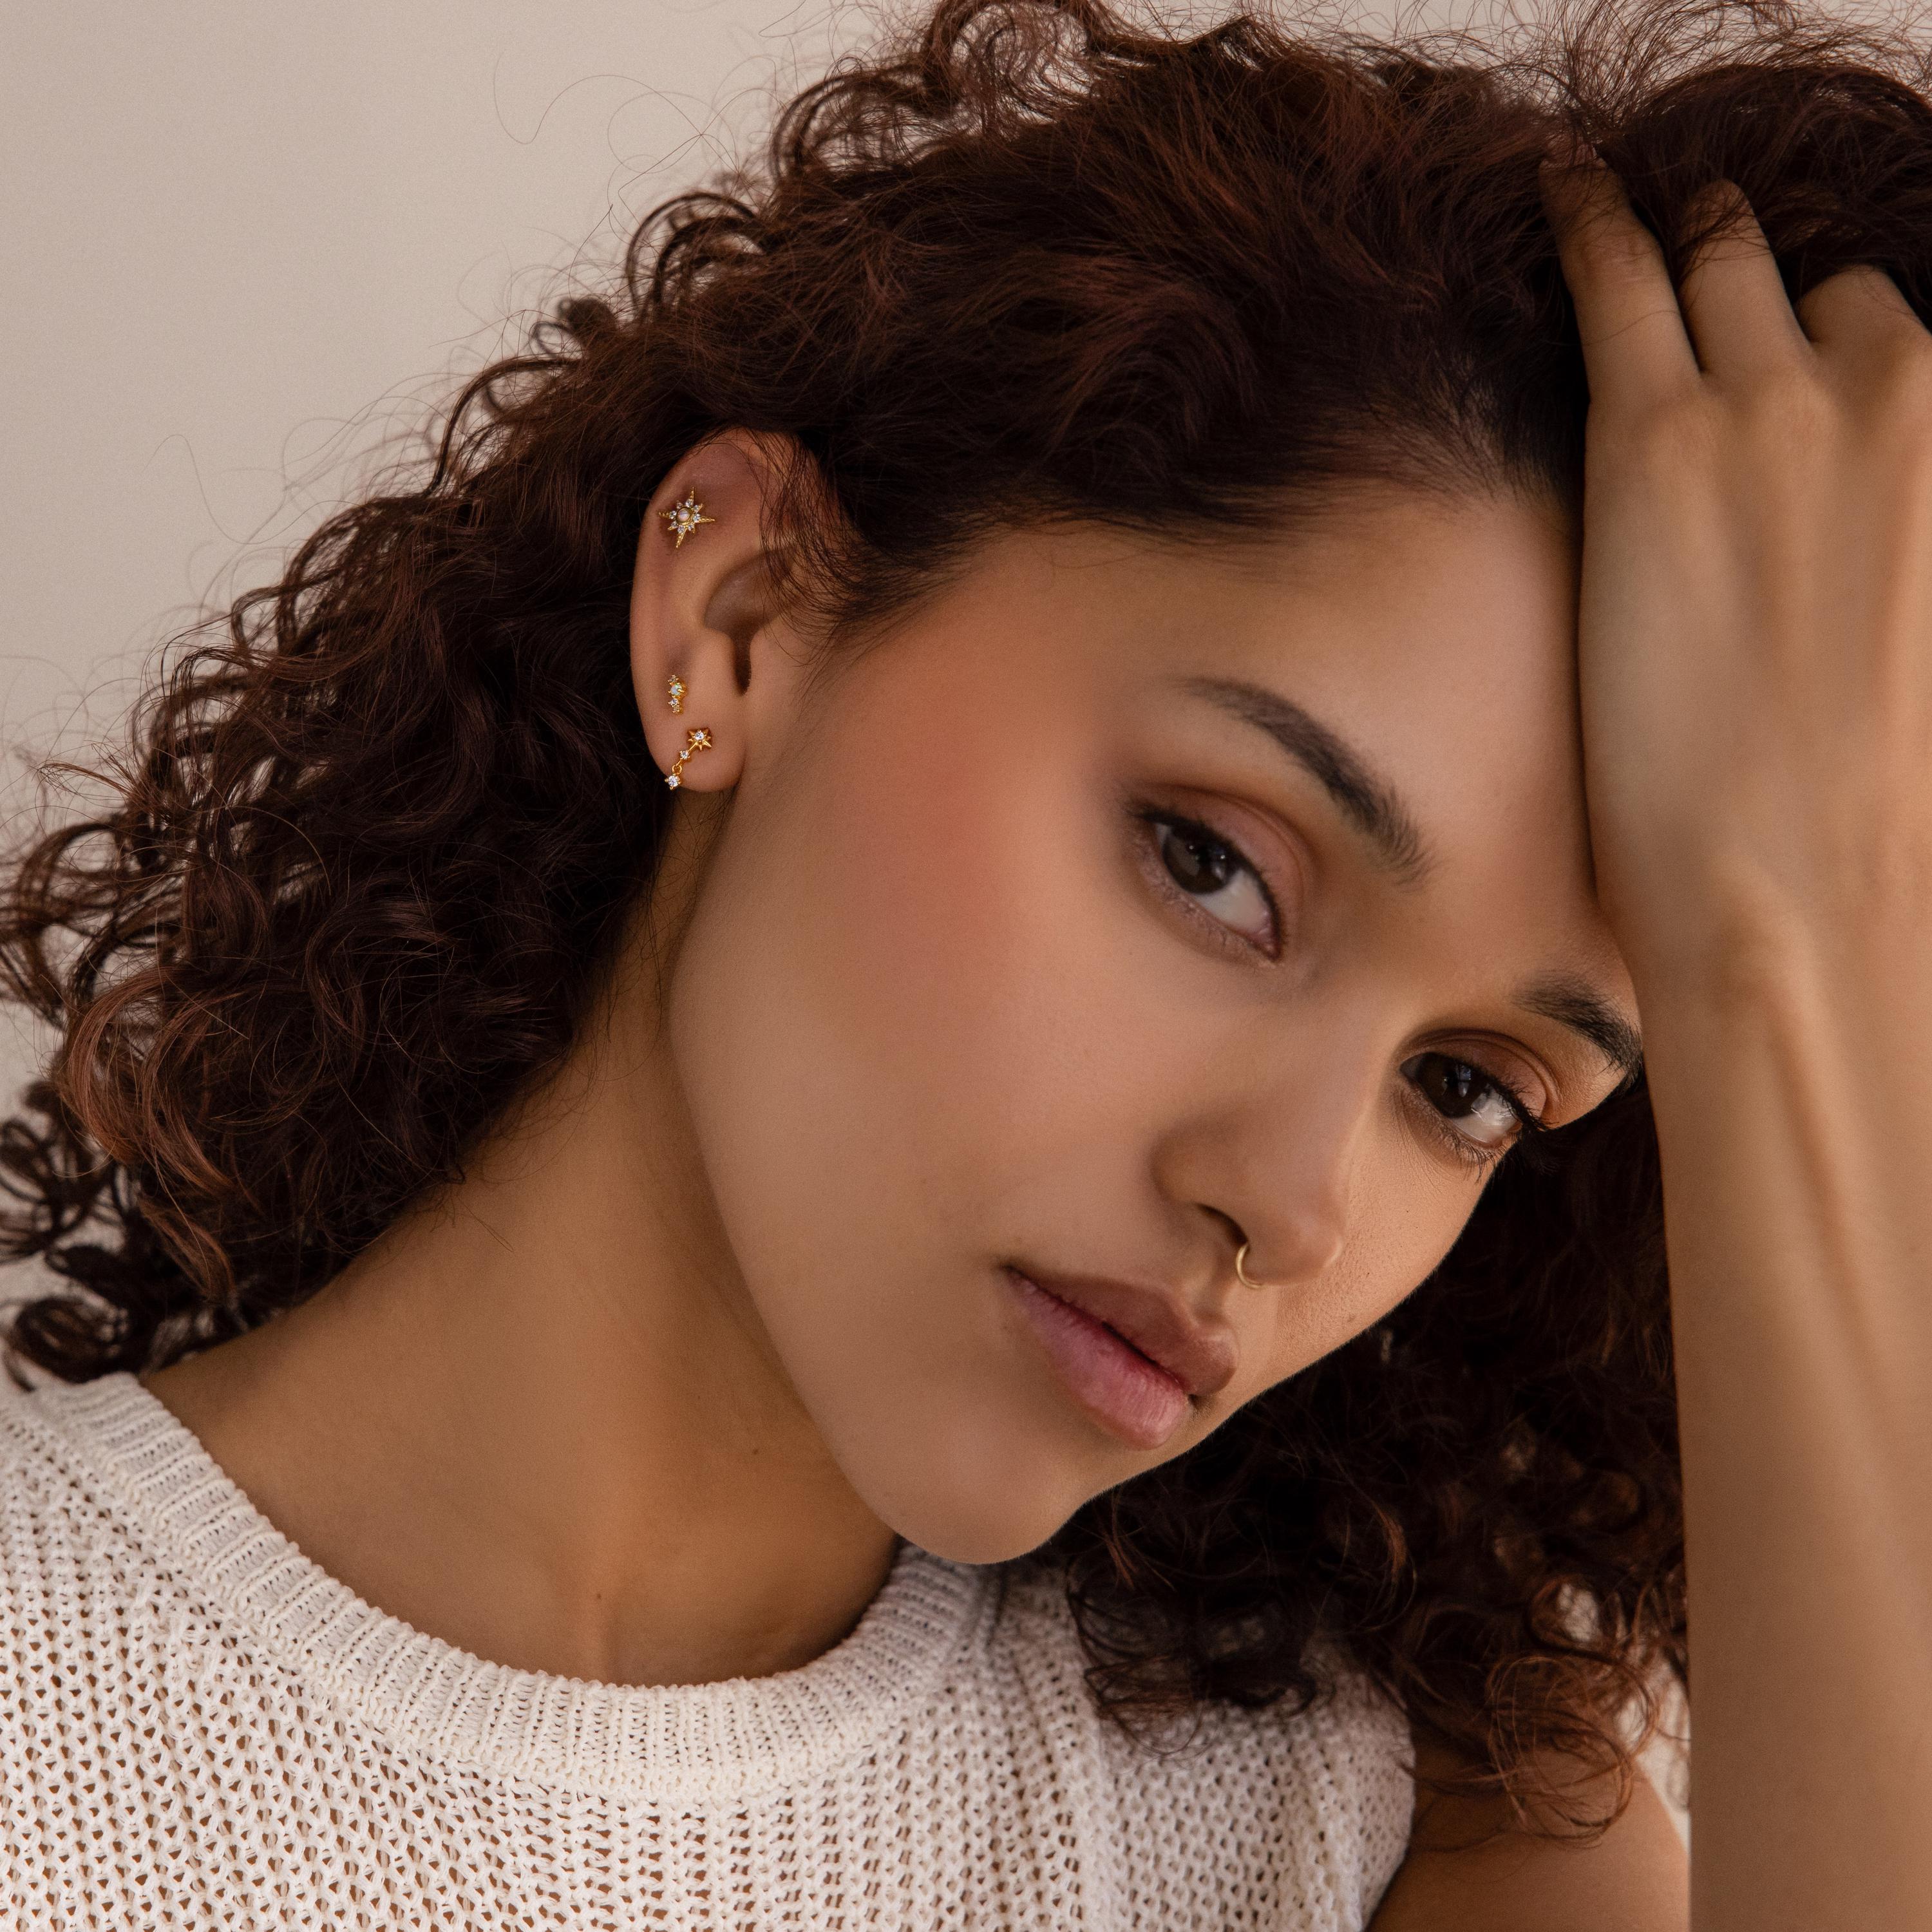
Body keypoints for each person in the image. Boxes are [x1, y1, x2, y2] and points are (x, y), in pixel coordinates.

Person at [1, 0, 1926, 1922]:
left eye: (1470, 1087)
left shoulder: (1401, 1830)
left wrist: (1781, 943)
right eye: (1212, 865)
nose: (1290, 1200)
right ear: (747, 612)